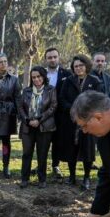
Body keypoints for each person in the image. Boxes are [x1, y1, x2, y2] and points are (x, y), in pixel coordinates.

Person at [57, 54, 104, 188]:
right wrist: (72, 109)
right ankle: (72, 176)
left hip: (89, 122)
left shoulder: (95, 81)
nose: (78, 68)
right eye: (76, 66)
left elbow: (99, 100)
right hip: (71, 120)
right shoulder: (68, 81)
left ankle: (87, 178)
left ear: (86, 66)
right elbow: (62, 99)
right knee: (71, 149)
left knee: (88, 150)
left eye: (81, 65)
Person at [17, 66, 57, 188]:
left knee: (42, 154)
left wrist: (39, 119)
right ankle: (25, 179)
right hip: (28, 127)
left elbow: (53, 107)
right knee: (27, 153)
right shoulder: (27, 91)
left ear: (43, 76)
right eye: (33, 77)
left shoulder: (51, 90)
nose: (36, 79)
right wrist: (27, 120)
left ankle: (42, 179)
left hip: (44, 127)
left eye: (38, 76)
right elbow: (20, 108)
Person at [43, 47, 71, 177]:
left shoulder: (67, 74)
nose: (52, 59)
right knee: (43, 140)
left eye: (55, 57)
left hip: (60, 114)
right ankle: (41, 165)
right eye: (50, 57)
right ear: (46, 59)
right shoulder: (41, 74)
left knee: (57, 140)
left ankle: (55, 165)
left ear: (58, 58)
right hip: (43, 113)